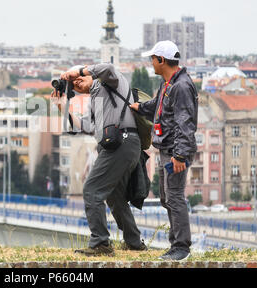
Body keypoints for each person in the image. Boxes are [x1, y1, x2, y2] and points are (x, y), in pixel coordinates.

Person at [51, 64, 146, 256]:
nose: (77, 83)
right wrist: (63, 108)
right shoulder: (95, 101)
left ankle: (100, 243)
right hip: (116, 147)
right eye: (74, 84)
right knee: (115, 197)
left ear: (90, 75)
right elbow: (85, 126)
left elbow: (108, 68)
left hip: (123, 143)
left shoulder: (112, 83)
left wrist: (77, 72)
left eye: (80, 79)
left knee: (92, 190)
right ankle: (134, 242)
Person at [130, 40, 198, 261]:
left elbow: (184, 124)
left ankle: (182, 247)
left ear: (161, 60)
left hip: (175, 152)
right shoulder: (168, 84)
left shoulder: (181, 86)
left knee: (175, 197)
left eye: (153, 58)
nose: (151, 62)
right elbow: (157, 107)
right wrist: (139, 107)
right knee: (166, 198)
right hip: (166, 148)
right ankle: (175, 244)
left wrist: (180, 155)